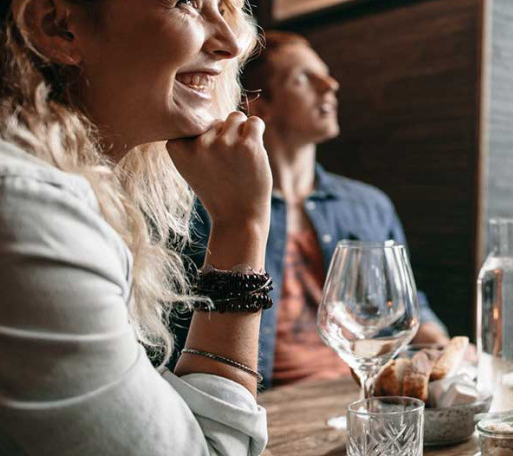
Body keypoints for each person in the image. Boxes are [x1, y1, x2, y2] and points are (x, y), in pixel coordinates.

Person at [0, 0, 273, 454]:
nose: (232, 41)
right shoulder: (9, 208)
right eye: (188, 3)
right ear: (55, 24)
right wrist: (243, 226)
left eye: (222, 9)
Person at [173, 31, 449, 388]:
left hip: (357, 388)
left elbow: (407, 305)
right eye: (303, 78)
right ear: (258, 105)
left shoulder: (369, 205)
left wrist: (442, 348)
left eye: (326, 73)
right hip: (260, 399)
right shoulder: (204, 208)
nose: (330, 84)